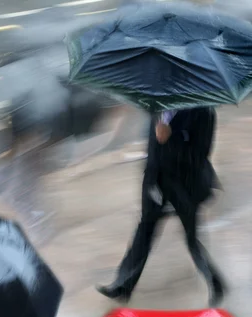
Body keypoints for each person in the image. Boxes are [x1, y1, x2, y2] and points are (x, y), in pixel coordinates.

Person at [97, 107, 226, 306]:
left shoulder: (203, 111)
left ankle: (216, 283)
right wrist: (148, 180)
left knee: (192, 238)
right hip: (156, 183)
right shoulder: (157, 104)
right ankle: (122, 285)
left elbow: (200, 153)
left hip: (185, 186)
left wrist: (171, 138)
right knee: (143, 234)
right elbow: (152, 147)